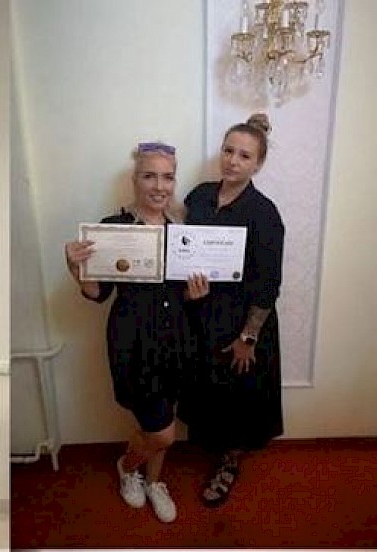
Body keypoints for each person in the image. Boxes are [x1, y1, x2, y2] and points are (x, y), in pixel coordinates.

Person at [65, 142, 209, 523]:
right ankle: (127, 467)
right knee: (161, 431)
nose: (160, 186)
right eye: (150, 176)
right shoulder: (113, 228)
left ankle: (154, 481)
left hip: (176, 340)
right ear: (135, 180)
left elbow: (182, 295)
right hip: (133, 342)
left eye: (167, 177)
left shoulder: (182, 232)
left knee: (162, 419)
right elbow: (98, 293)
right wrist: (76, 269)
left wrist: (195, 295)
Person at [182, 113, 285, 507]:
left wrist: (249, 336)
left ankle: (229, 462)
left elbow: (269, 283)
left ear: (258, 164)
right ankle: (212, 446)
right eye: (228, 151)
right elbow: (183, 246)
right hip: (202, 313)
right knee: (208, 389)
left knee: (238, 395)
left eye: (244, 156)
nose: (233, 161)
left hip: (243, 322)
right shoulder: (198, 196)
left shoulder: (265, 213)